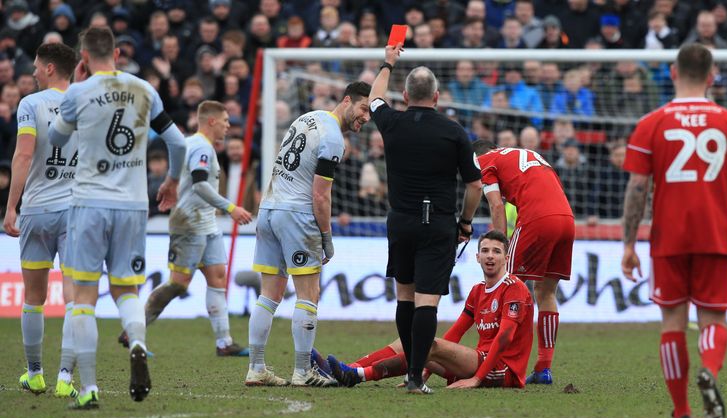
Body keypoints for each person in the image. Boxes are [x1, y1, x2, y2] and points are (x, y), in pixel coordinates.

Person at [48, 27, 187, 409]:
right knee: (126, 291)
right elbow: (176, 141)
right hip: (132, 205)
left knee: (84, 298)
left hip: (89, 203)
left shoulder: (78, 91)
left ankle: (89, 388)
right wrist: (172, 181)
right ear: (119, 53)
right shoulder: (145, 89)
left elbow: (58, 140)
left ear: (83, 59)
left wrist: (75, 90)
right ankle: (138, 344)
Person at [622, 43, 727, 418]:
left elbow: (637, 189)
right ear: (713, 75)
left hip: (668, 238)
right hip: (715, 233)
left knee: (672, 324)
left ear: (672, 73)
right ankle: (709, 369)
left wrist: (629, 244)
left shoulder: (653, 123)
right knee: (714, 317)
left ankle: (681, 414)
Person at [368, 44, 483, 394]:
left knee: (404, 297)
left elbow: (374, 97)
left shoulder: (392, 122)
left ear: (404, 95)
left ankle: (410, 376)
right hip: (437, 224)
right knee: (426, 301)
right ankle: (416, 377)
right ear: (437, 96)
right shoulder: (454, 132)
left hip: (400, 222)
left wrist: (389, 60)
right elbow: (475, 185)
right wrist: (465, 223)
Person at [246, 81, 372, 388]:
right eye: (364, 109)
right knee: (308, 293)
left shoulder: (306, 118)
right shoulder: (334, 140)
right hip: (297, 216)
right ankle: (303, 371)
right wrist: (327, 237)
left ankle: (256, 368)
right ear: (346, 101)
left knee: (269, 294)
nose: (366, 118)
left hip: (269, 210)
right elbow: (320, 196)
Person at [117, 101, 253, 356]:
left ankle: (224, 342)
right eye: (225, 121)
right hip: (189, 223)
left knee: (217, 277)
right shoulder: (201, 146)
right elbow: (200, 185)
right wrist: (231, 208)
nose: (227, 126)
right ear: (211, 121)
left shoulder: (194, 145)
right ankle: (132, 331)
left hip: (205, 223)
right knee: (178, 284)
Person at [322, 230, 533, 389]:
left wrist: (476, 379)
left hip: (503, 370)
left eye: (496, 252)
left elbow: (505, 336)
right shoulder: (478, 290)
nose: (490, 256)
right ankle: (344, 370)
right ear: (477, 257)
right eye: (485, 251)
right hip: (479, 362)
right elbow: (456, 333)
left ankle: (358, 375)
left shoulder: (514, 288)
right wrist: (424, 370)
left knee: (429, 344)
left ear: (506, 259)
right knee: (408, 340)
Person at [3, 43, 79, 400]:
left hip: (37, 209)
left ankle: (35, 374)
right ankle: (66, 377)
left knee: (34, 296)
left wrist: (10, 206)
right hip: (78, 211)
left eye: (35, 66)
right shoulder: (87, 103)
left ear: (50, 68)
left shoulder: (31, 104)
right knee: (77, 297)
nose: (32, 72)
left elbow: (23, 153)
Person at [472, 139, 575, 385]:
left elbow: (496, 205)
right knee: (546, 291)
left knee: (505, 286)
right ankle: (543, 368)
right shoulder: (529, 154)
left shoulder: (484, 161)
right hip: (567, 220)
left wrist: (498, 246)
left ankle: (496, 361)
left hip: (536, 220)